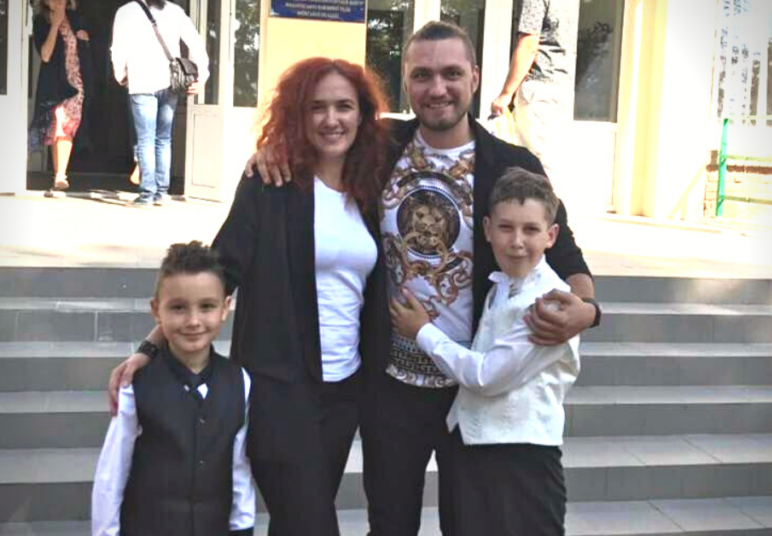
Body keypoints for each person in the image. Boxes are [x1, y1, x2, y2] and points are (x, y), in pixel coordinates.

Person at [250, 21, 601, 536]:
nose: (438, 88)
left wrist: (587, 310)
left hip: (474, 387)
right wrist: (270, 151)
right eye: (423, 75)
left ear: (476, 78)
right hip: (390, 385)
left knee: (470, 524)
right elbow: (315, 142)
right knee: (390, 524)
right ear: (407, 82)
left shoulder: (511, 162)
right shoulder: (378, 145)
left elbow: (566, 252)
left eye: (452, 74)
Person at [110, 57, 392, 536]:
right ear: (297, 117)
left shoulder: (370, 189)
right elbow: (218, 271)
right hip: (279, 390)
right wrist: (151, 347)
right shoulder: (272, 182)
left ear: (362, 115)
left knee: (298, 517)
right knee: (312, 525)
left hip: (345, 391)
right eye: (316, 107)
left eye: (344, 106)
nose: (331, 119)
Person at [390, 168, 579, 536]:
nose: (517, 241)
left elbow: (486, 376)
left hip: (522, 461)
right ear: (488, 229)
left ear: (551, 235)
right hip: (476, 451)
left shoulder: (550, 303)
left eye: (531, 230)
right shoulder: (502, 285)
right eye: (506, 228)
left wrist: (422, 332)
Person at [91, 241, 254, 536]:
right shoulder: (136, 385)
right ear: (156, 310)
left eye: (206, 306)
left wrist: (242, 525)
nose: (193, 321)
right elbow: (111, 473)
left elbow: (239, 466)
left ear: (225, 308)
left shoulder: (239, 381)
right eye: (178, 308)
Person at [111, 0, 209, 207]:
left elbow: (118, 48)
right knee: (163, 139)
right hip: (170, 83)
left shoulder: (126, 11)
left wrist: (120, 75)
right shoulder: (175, 11)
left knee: (146, 139)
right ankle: (162, 193)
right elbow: (196, 42)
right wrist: (202, 76)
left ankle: (147, 194)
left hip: (142, 81)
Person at [490, 0, 580, 192]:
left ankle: (547, 219)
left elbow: (529, 45)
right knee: (551, 166)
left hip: (538, 90)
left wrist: (506, 93)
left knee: (535, 169)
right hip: (561, 87)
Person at [28, 0, 94, 191]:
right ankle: (59, 174)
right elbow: (46, 55)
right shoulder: (41, 21)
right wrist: (55, 25)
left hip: (76, 82)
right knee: (56, 126)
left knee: (66, 125)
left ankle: (60, 175)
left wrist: (86, 40)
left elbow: (86, 49)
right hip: (54, 84)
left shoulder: (76, 19)